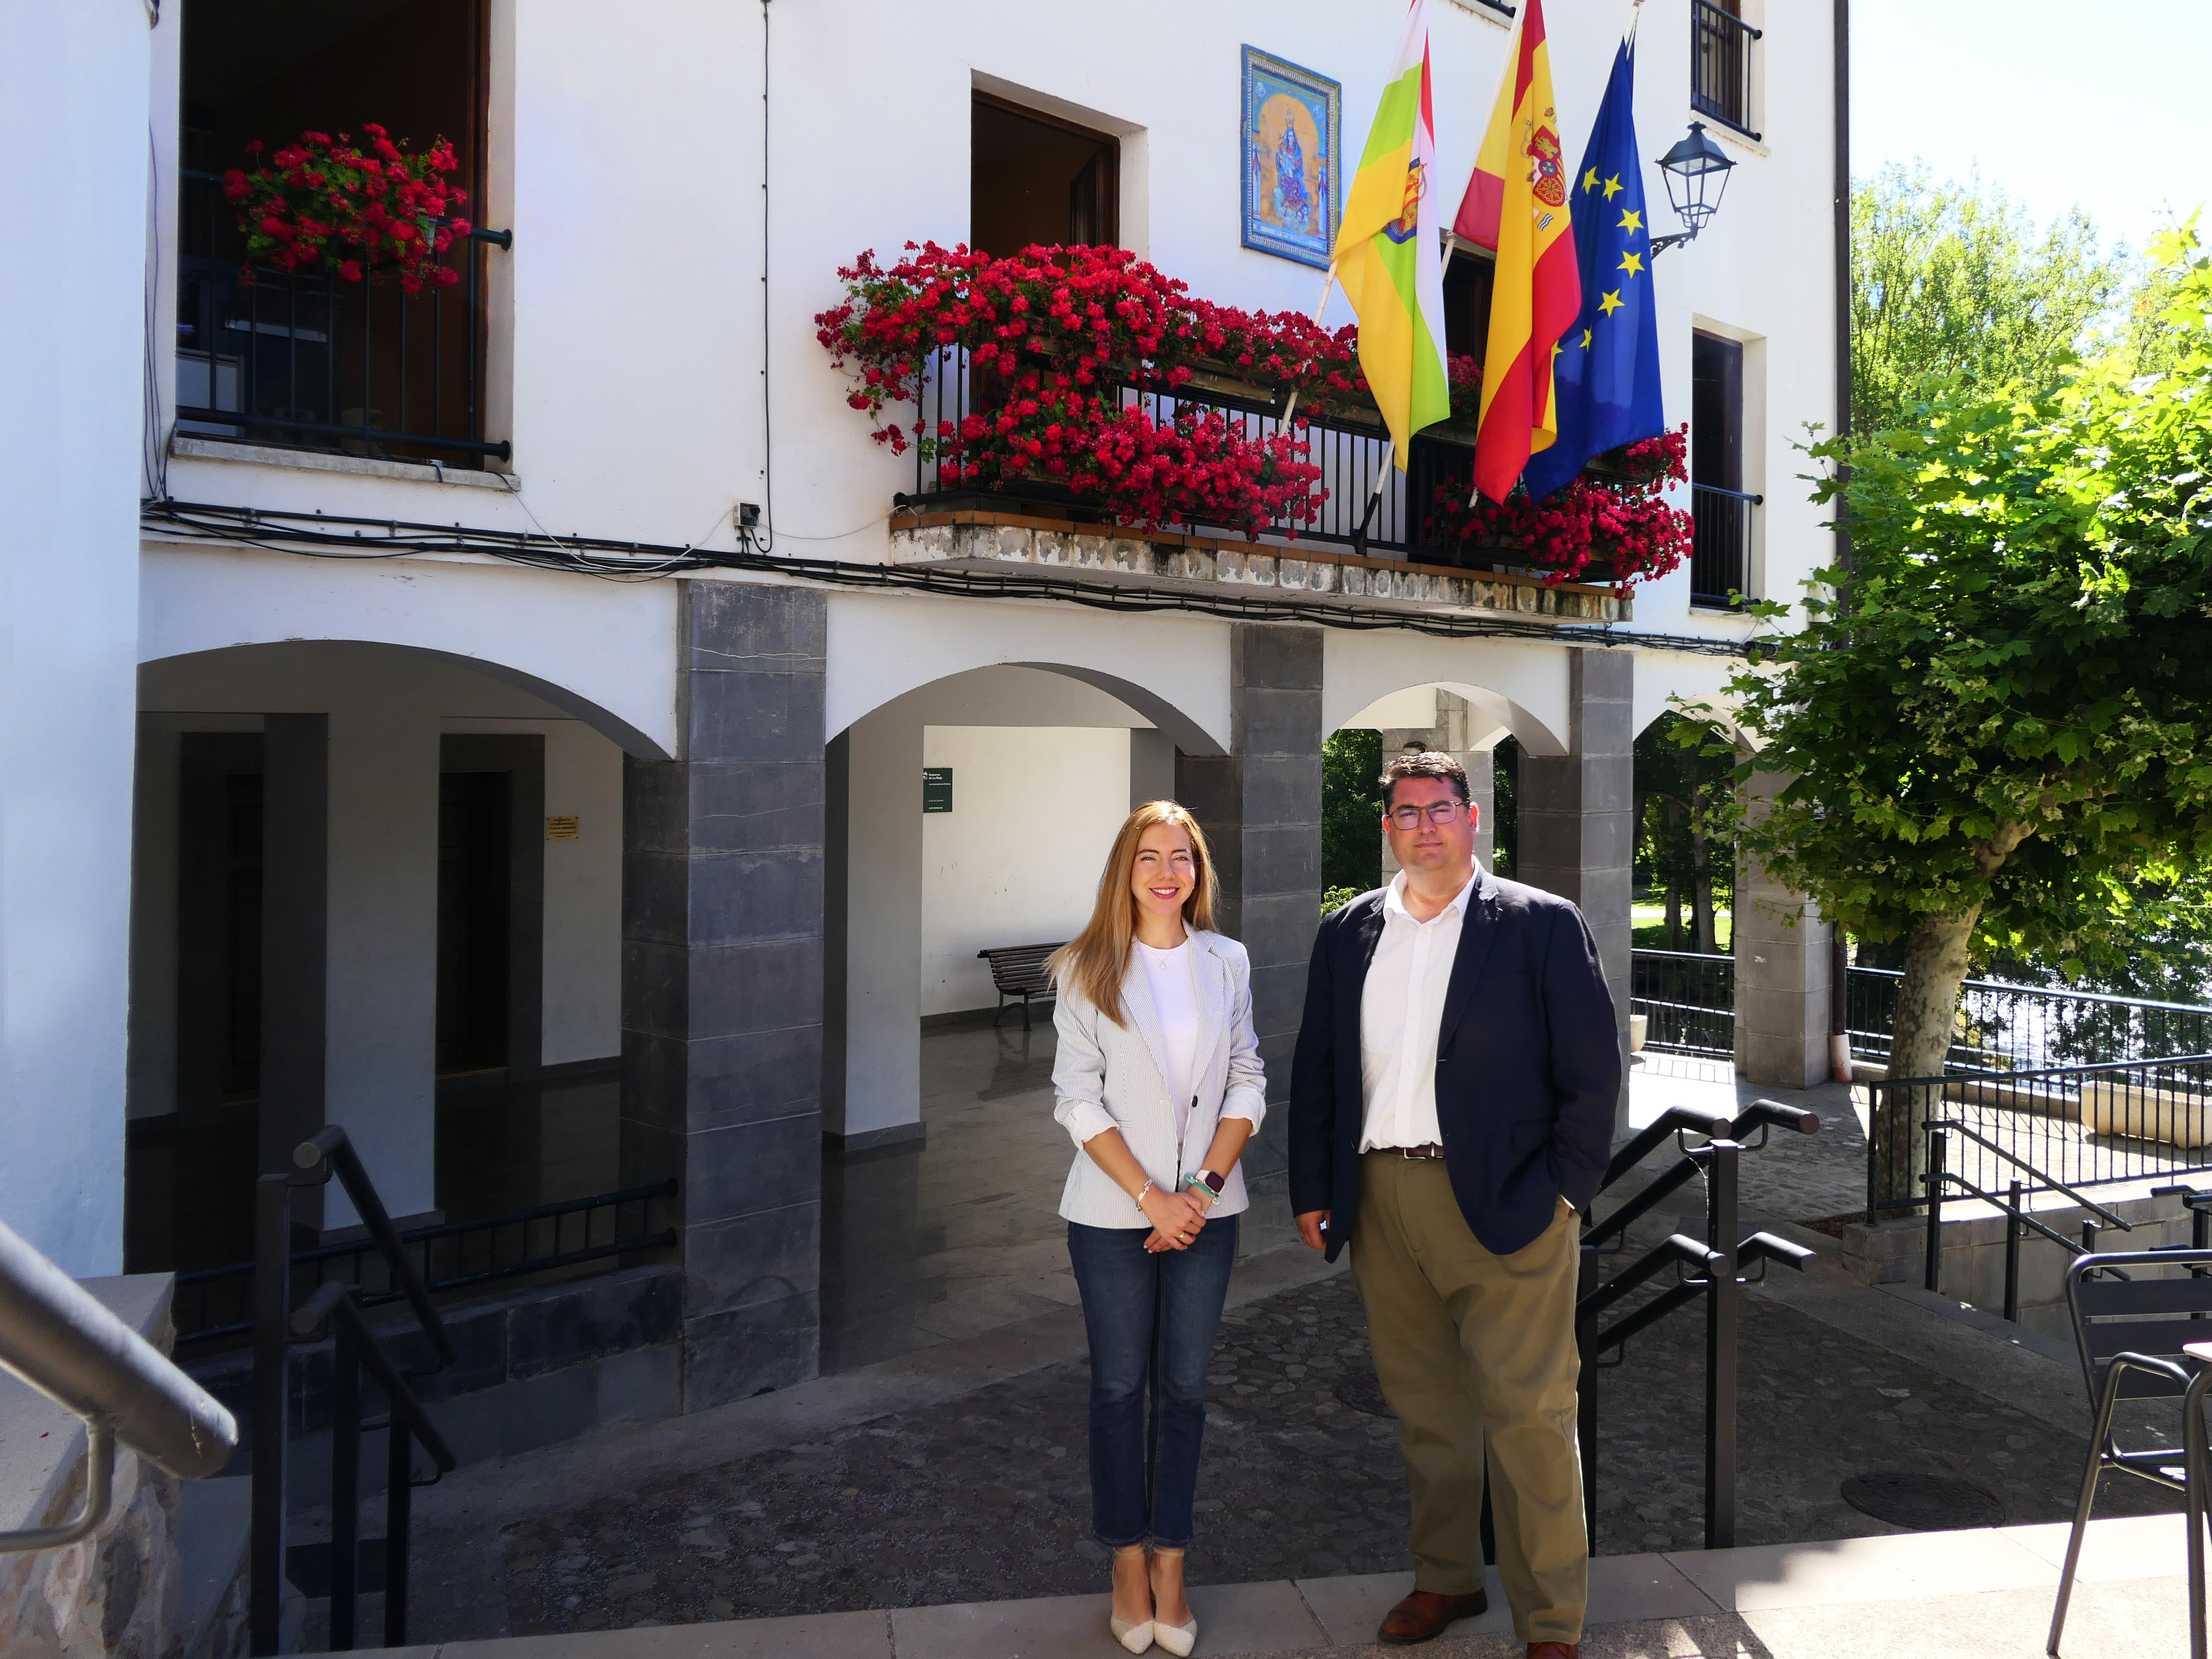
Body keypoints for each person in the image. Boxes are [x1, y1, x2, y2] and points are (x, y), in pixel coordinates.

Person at [1288, 752, 1619, 1658]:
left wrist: (1565, 1190)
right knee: (1427, 1408)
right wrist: (1313, 1188)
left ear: (1474, 820)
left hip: (1510, 1201)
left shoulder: (1542, 926)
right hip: (1381, 1200)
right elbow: (1318, 1067)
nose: (1423, 824)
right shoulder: (1348, 930)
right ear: (1387, 827)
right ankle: (1446, 1577)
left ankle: (1551, 1622)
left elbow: (1592, 1073)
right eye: (1406, 812)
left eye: (1440, 808)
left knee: (1530, 1414)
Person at [1050, 800, 1266, 1657]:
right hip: (1110, 1217)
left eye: (1181, 855)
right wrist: (1150, 1196)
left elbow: (1248, 1075)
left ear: (1198, 870)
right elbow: (1075, 1097)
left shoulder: (1227, 961)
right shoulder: (1083, 966)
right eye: (1150, 855)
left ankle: (1172, 1565)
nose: (1167, 870)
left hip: (1208, 1214)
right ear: (1124, 869)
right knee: (1116, 1392)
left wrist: (1201, 1188)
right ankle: (1125, 1561)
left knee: (1183, 1392)